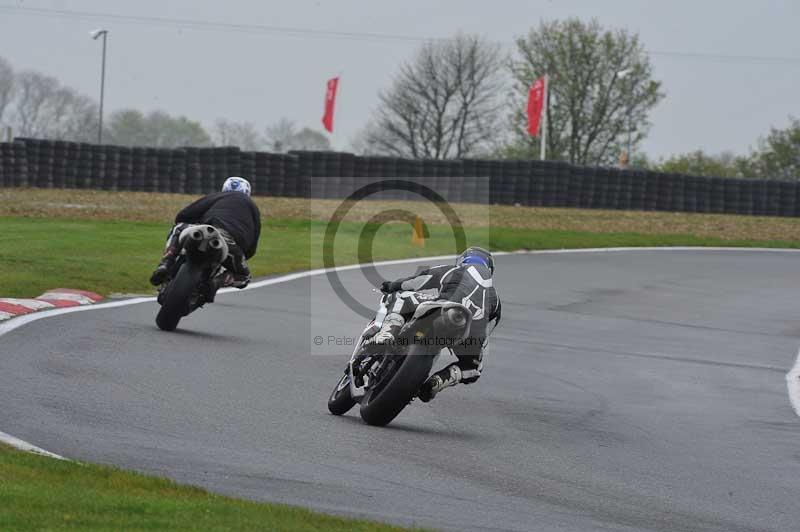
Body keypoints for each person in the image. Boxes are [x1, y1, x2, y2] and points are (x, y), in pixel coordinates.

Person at [366, 246, 501, 402]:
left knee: (400, 296)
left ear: (463, 260)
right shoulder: (496, 300)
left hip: (443, 309)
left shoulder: (453, 270)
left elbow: (416, 282)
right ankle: (437, 382)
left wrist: (392, 286)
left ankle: (386, 334)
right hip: (468, 332)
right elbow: (486, 332)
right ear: (489, 269)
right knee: (474, 368)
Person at [149, 177, 261, 296]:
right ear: (248, 193)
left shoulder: (219, 196)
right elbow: (253, 245)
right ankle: (215, 282)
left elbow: (184, 215)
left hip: (206, 231)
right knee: (244, 277)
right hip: (230, 245)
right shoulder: (253, 208)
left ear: (224, 189)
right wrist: (242, 256)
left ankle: (166, 263)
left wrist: (192, 223)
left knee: (178, 228)